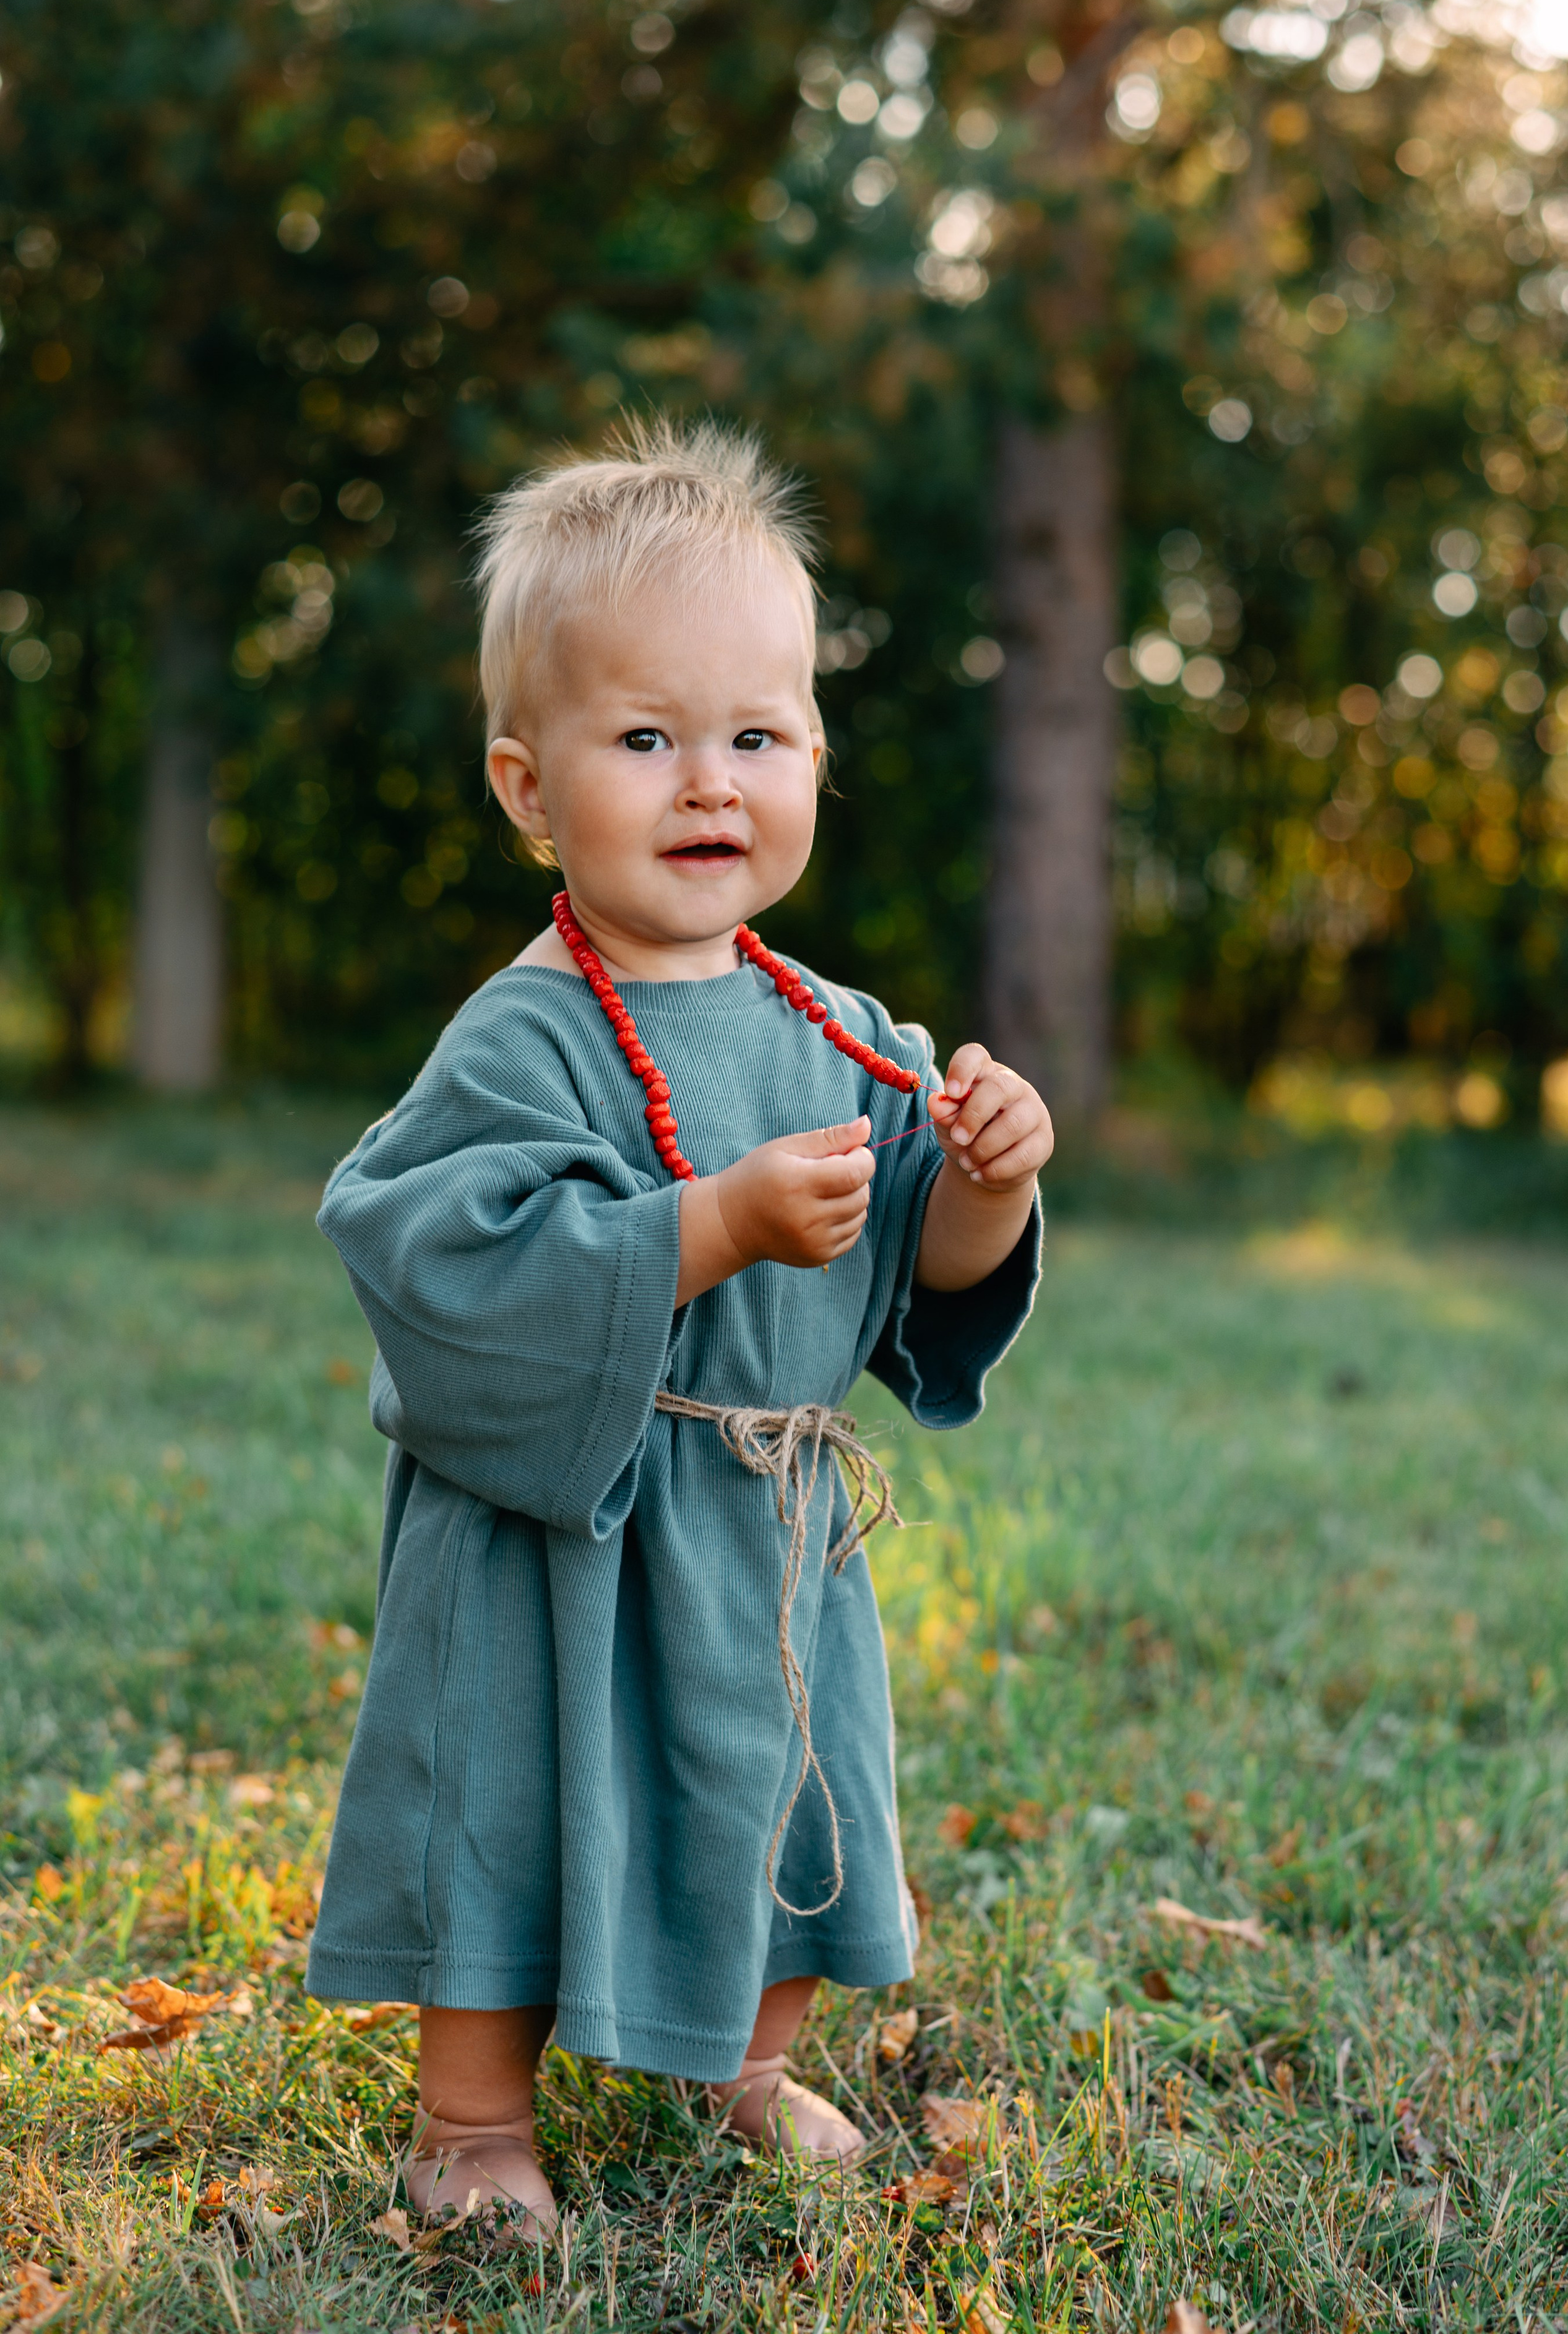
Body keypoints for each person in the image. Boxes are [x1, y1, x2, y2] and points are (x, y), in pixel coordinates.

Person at [306, 416, 1053, 2239]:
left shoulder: (839, 1022)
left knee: (777, 1780)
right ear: (529, 783)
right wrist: (705, 1227)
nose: (709, 779)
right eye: (645, 737)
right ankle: (475, 2117)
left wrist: (986, 1182)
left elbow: (919, 1285)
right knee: (507, 1794)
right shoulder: (530, 1030)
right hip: (564, 1527)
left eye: (757, 734)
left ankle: (744, 2057)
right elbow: (423, 1237)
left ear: (813, 753)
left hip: (764, 1517)